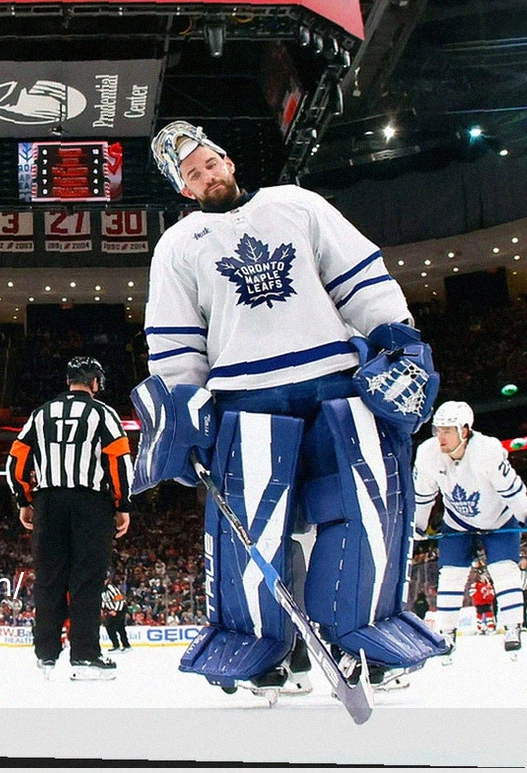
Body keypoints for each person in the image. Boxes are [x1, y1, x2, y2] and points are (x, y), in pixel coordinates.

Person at [130, 120, 447, 701]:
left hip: (334, 385)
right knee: (254, 531)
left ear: (227, 160)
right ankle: (259, 651)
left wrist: (395, 335)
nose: (207, 175)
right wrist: (185, 412)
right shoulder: (176, 247)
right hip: (244, 401)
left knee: (365, 509)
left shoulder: (296, 204)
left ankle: (367, 637)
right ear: (185, 190)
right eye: (193, 174)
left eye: (210, 163)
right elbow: (177, 344)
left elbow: (357, 277)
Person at [6, 357, 133, 681]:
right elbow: (119, 460)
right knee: (86, 580)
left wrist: (25, 498)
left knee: (49, 579)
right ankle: (85, 655)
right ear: (95, 383)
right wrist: (122, 504)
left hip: (49, 502)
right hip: (91, 503)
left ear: (68, 381)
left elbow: (16, 459)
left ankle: (46, 655)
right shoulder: (103, 413)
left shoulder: (42, 412)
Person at [412, 401, 527, 658]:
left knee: (504, 570)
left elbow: (512, 489)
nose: (440, 437)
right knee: (451, 575)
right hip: (458, 522)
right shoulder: (427, 453)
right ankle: (446, 633)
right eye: (438, 430)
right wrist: (418, 525)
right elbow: (423, 495)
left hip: (498, 519)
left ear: (464, 431)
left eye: (447, 430)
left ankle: (512, 626)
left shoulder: (488, 450)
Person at [102, 575, 131, 653]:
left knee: (110, 627)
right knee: (120, 627)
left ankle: (116, 645)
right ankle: (126, 645)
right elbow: (104, 600)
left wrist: (115, 610)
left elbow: (119, 600)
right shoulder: (101, 589)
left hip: (120, 608)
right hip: (112, 610)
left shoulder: (111, 588)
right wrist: (103, 609)